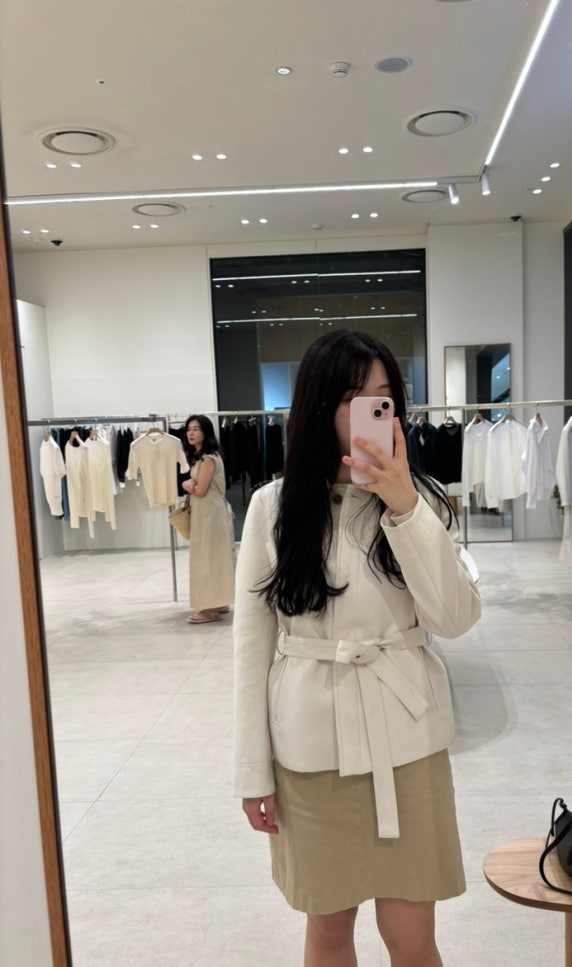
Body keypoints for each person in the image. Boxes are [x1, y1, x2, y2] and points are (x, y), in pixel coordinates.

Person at [233, 330, 481, 966]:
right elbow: (252, 649)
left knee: (413, 938)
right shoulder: (271, 508)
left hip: (408, 744)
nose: (372, 411)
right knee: (328, 931)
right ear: (319, 407)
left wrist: (403, 506)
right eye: (353, 398)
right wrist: (252, 769)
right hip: (311, 752)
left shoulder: (420, 501)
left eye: (383, 398)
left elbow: (455, 618)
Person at [181, 414, 235, 623]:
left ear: (206, 432)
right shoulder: (203, 457)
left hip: (209, 514)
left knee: (207, 558)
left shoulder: (208, 459)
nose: (191, 433)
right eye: (189, 429)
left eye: (196, 429)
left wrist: (188, 485)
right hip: (209, 513)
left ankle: (209, 608)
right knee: (215, 556)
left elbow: (201, 490)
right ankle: (219, 601)